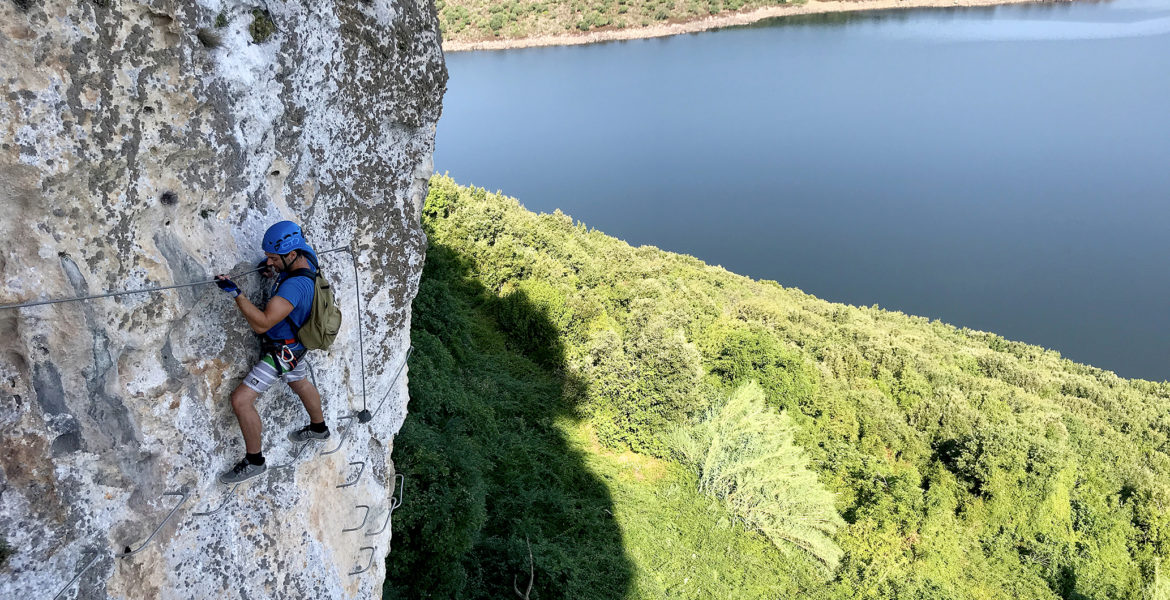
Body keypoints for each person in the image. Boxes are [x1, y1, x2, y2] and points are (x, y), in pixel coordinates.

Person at [214, 221, 331, 484]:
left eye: (273, 258)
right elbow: (287, 277)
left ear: (291, 255)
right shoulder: (306, 258)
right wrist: (276, 270)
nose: (269, 262)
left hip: (282, 352)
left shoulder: (294, 288)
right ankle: (319, 429)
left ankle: (254, 461)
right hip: (297, 346)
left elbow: (263, 323)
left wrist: (237, 294)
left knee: (241, 401)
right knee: (299, 381)